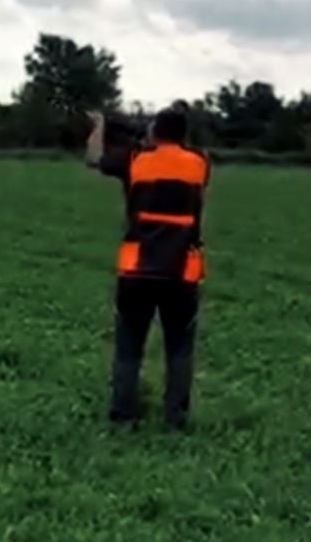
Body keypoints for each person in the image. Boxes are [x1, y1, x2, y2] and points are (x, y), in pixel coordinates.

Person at [85, 105, 210, 429]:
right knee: (179, 350)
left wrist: (99, 125)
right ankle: (176, 418)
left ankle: (123, 417)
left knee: (128, 348)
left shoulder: (134, 160)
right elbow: (179, 154)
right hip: (182, 271)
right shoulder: (199, 163)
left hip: (137, 269)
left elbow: (93, 159)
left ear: (154, 132)